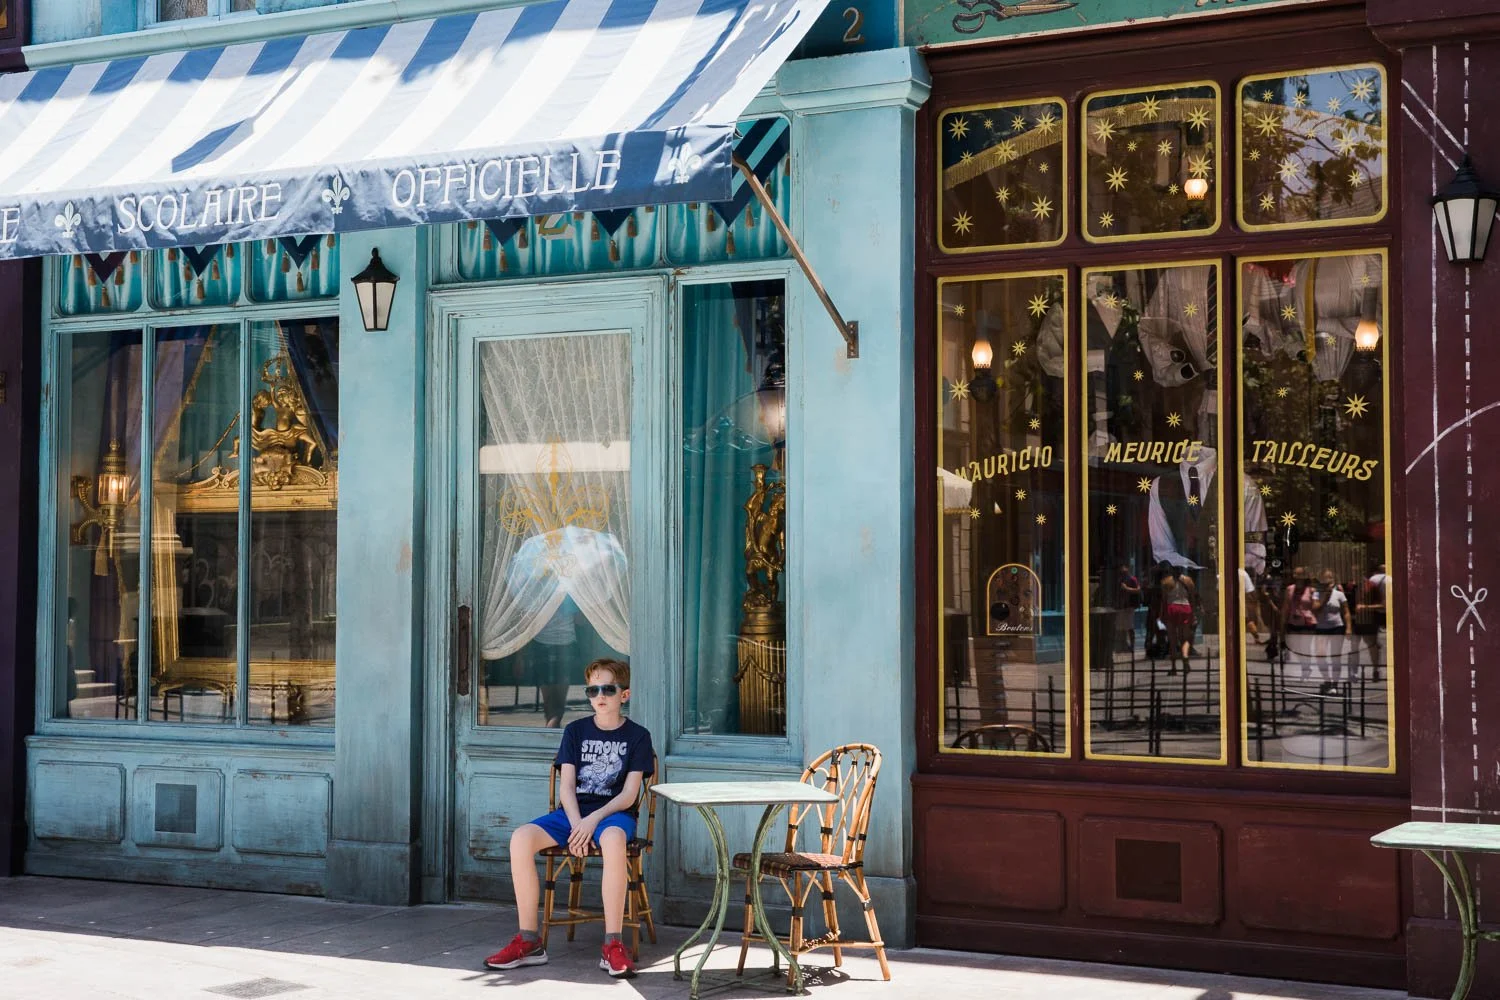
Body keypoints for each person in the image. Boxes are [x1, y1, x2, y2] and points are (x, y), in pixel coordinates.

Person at [485, 658, 655, 978]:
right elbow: (566, 788)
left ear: (625, 695)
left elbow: (629, 795)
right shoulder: (575, 730)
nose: (599, 696)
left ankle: (613, 945)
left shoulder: (638, 737)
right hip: (572, 814)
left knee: (615, 840)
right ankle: (529, 941)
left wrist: (593, 821)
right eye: (593, 689)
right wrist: (578, 822)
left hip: (612, 815)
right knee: (521, 838)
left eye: (608, 688)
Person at [1311, 568, 1351, 693]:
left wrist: (1348, 627)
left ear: (1333, 581)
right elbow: (1315, 609)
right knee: (1320, 655)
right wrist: (1325, 597)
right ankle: (1327, 680)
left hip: (1336, 627)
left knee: (1335, 656)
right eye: (1324, 578)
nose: (1327, 581)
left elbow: (1346, 612)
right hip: (1322, 627)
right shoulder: (1316, 593)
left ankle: (1334, 684)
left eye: (1329, 578)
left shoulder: (1339, 594)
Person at [1161, 566, 1197, 676]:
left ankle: (1173, 667)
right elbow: (1192, 598)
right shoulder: (1188, 580)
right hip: (1185, 608)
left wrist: (1161, 615)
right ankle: (1185, 657)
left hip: (1172, 608)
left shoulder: (1166, 582)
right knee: (1185, 638)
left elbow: (1163, 599)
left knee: (1172, 639)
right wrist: (1193, 614)